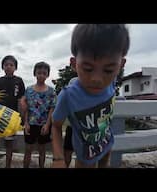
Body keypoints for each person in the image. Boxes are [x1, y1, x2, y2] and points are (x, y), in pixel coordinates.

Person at [52, 24, 130, 168]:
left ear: (120, 66)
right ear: (74, 64)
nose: (97, 79)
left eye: (108, 70)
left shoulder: (112, 82)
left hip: (107, 144)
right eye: (88, 69)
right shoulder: (68, 95)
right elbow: (56, 126)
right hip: (84, 155)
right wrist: (58, 158)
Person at [0, 55, 25, 168]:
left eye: (11, 65)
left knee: (9, 144)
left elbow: (22, 99)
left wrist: (22, 117)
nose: (8, 67)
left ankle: (7, 166)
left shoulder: (19, 81)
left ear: (15, 67)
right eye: (6, 65)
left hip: (11, 117)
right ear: (3, 67)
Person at [22, 62, 56, 168]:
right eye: (39, 73)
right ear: (35, 73)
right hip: (30, 124)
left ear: (47, 75)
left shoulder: (51, 91)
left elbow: (52, 109)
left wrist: (47, 125)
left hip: (44, 126)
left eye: (44, 73)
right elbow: (26, 108)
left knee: (42, 149)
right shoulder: (29, 90)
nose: (41, 75)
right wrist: (26, 123)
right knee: (28, 149)